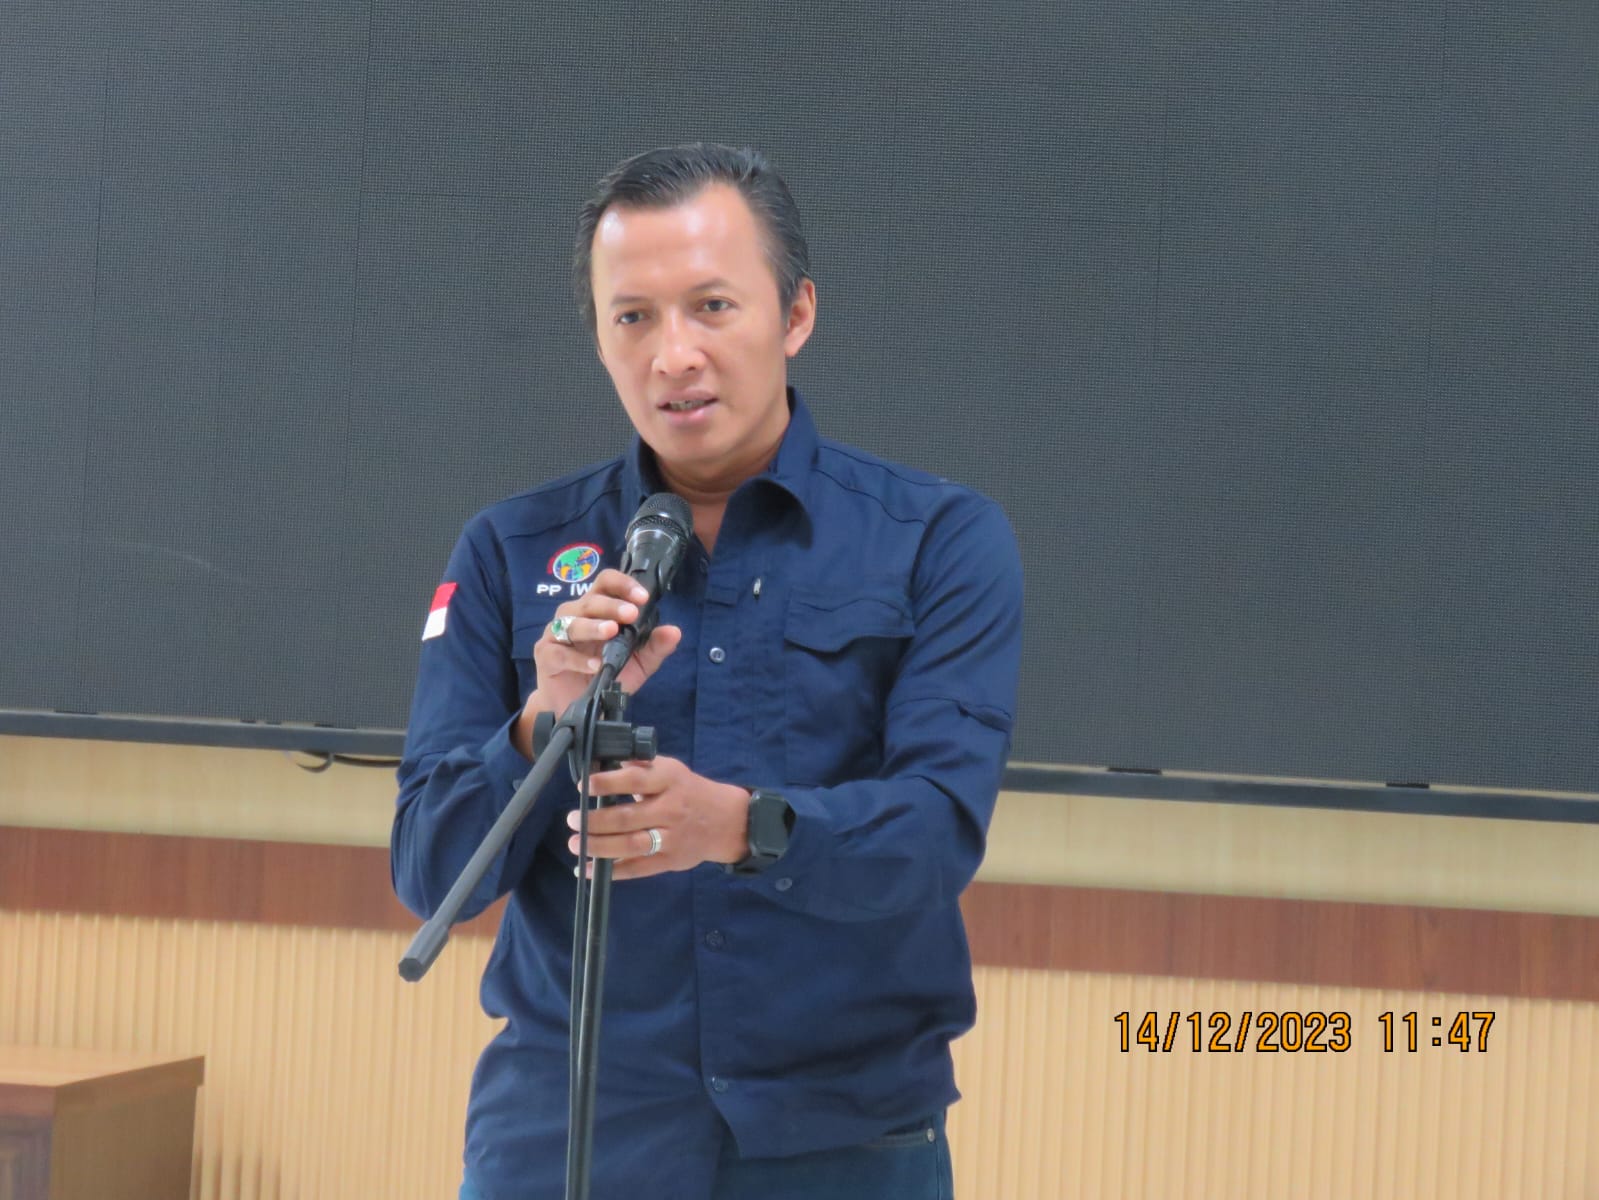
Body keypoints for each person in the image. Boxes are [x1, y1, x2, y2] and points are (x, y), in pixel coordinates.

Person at [391, 142, 1023, 1200]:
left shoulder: (936, 540)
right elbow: (429, 871)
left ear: (795, 314)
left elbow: (934, 834)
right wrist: (542, 725)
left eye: (713, 307)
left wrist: (732, 827)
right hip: (568, 1136)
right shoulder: (510, 548)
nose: (673, 355)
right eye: (632, 317)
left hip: (839, 1140)